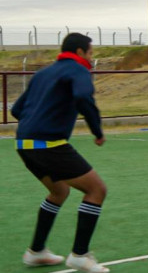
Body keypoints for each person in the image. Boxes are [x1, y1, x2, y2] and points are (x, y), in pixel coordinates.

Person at [13, 33, 110, 273]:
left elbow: (16, 109)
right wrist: (97, 130)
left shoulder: (43, 73)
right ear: (79, 52)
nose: (92, 57)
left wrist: (34, 123)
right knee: (96, 190)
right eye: (90, 52)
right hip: (50, 145)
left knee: (59, 192)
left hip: (24, 144)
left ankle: (35, 252)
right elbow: (82, 96)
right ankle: (79, 255)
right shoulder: (78, 70)